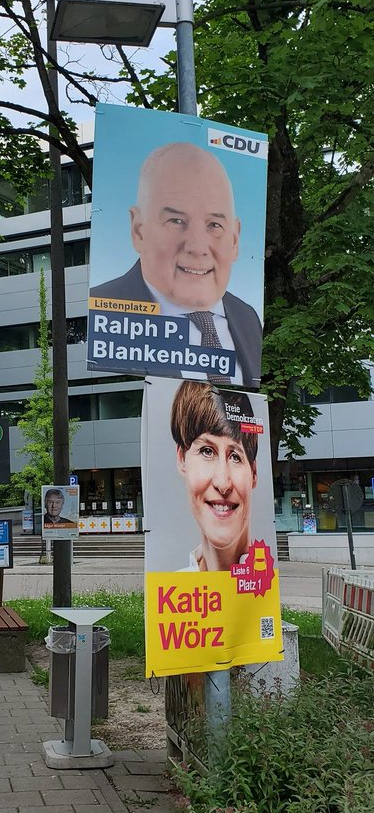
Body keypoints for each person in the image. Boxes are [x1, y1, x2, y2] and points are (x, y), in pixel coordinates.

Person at [90, 141, 262, 388]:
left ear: (234, 239)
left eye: (214, 225)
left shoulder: (248, 318)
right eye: (176, 220)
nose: (197, 246)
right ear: (138, 230)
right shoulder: (105, 310)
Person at [170, 381, 258, 571]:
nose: (222, 483)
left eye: (235, 456)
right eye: (207, 451)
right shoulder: (175, 588)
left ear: (253, 473)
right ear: (182, 458)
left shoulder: (264, 589)